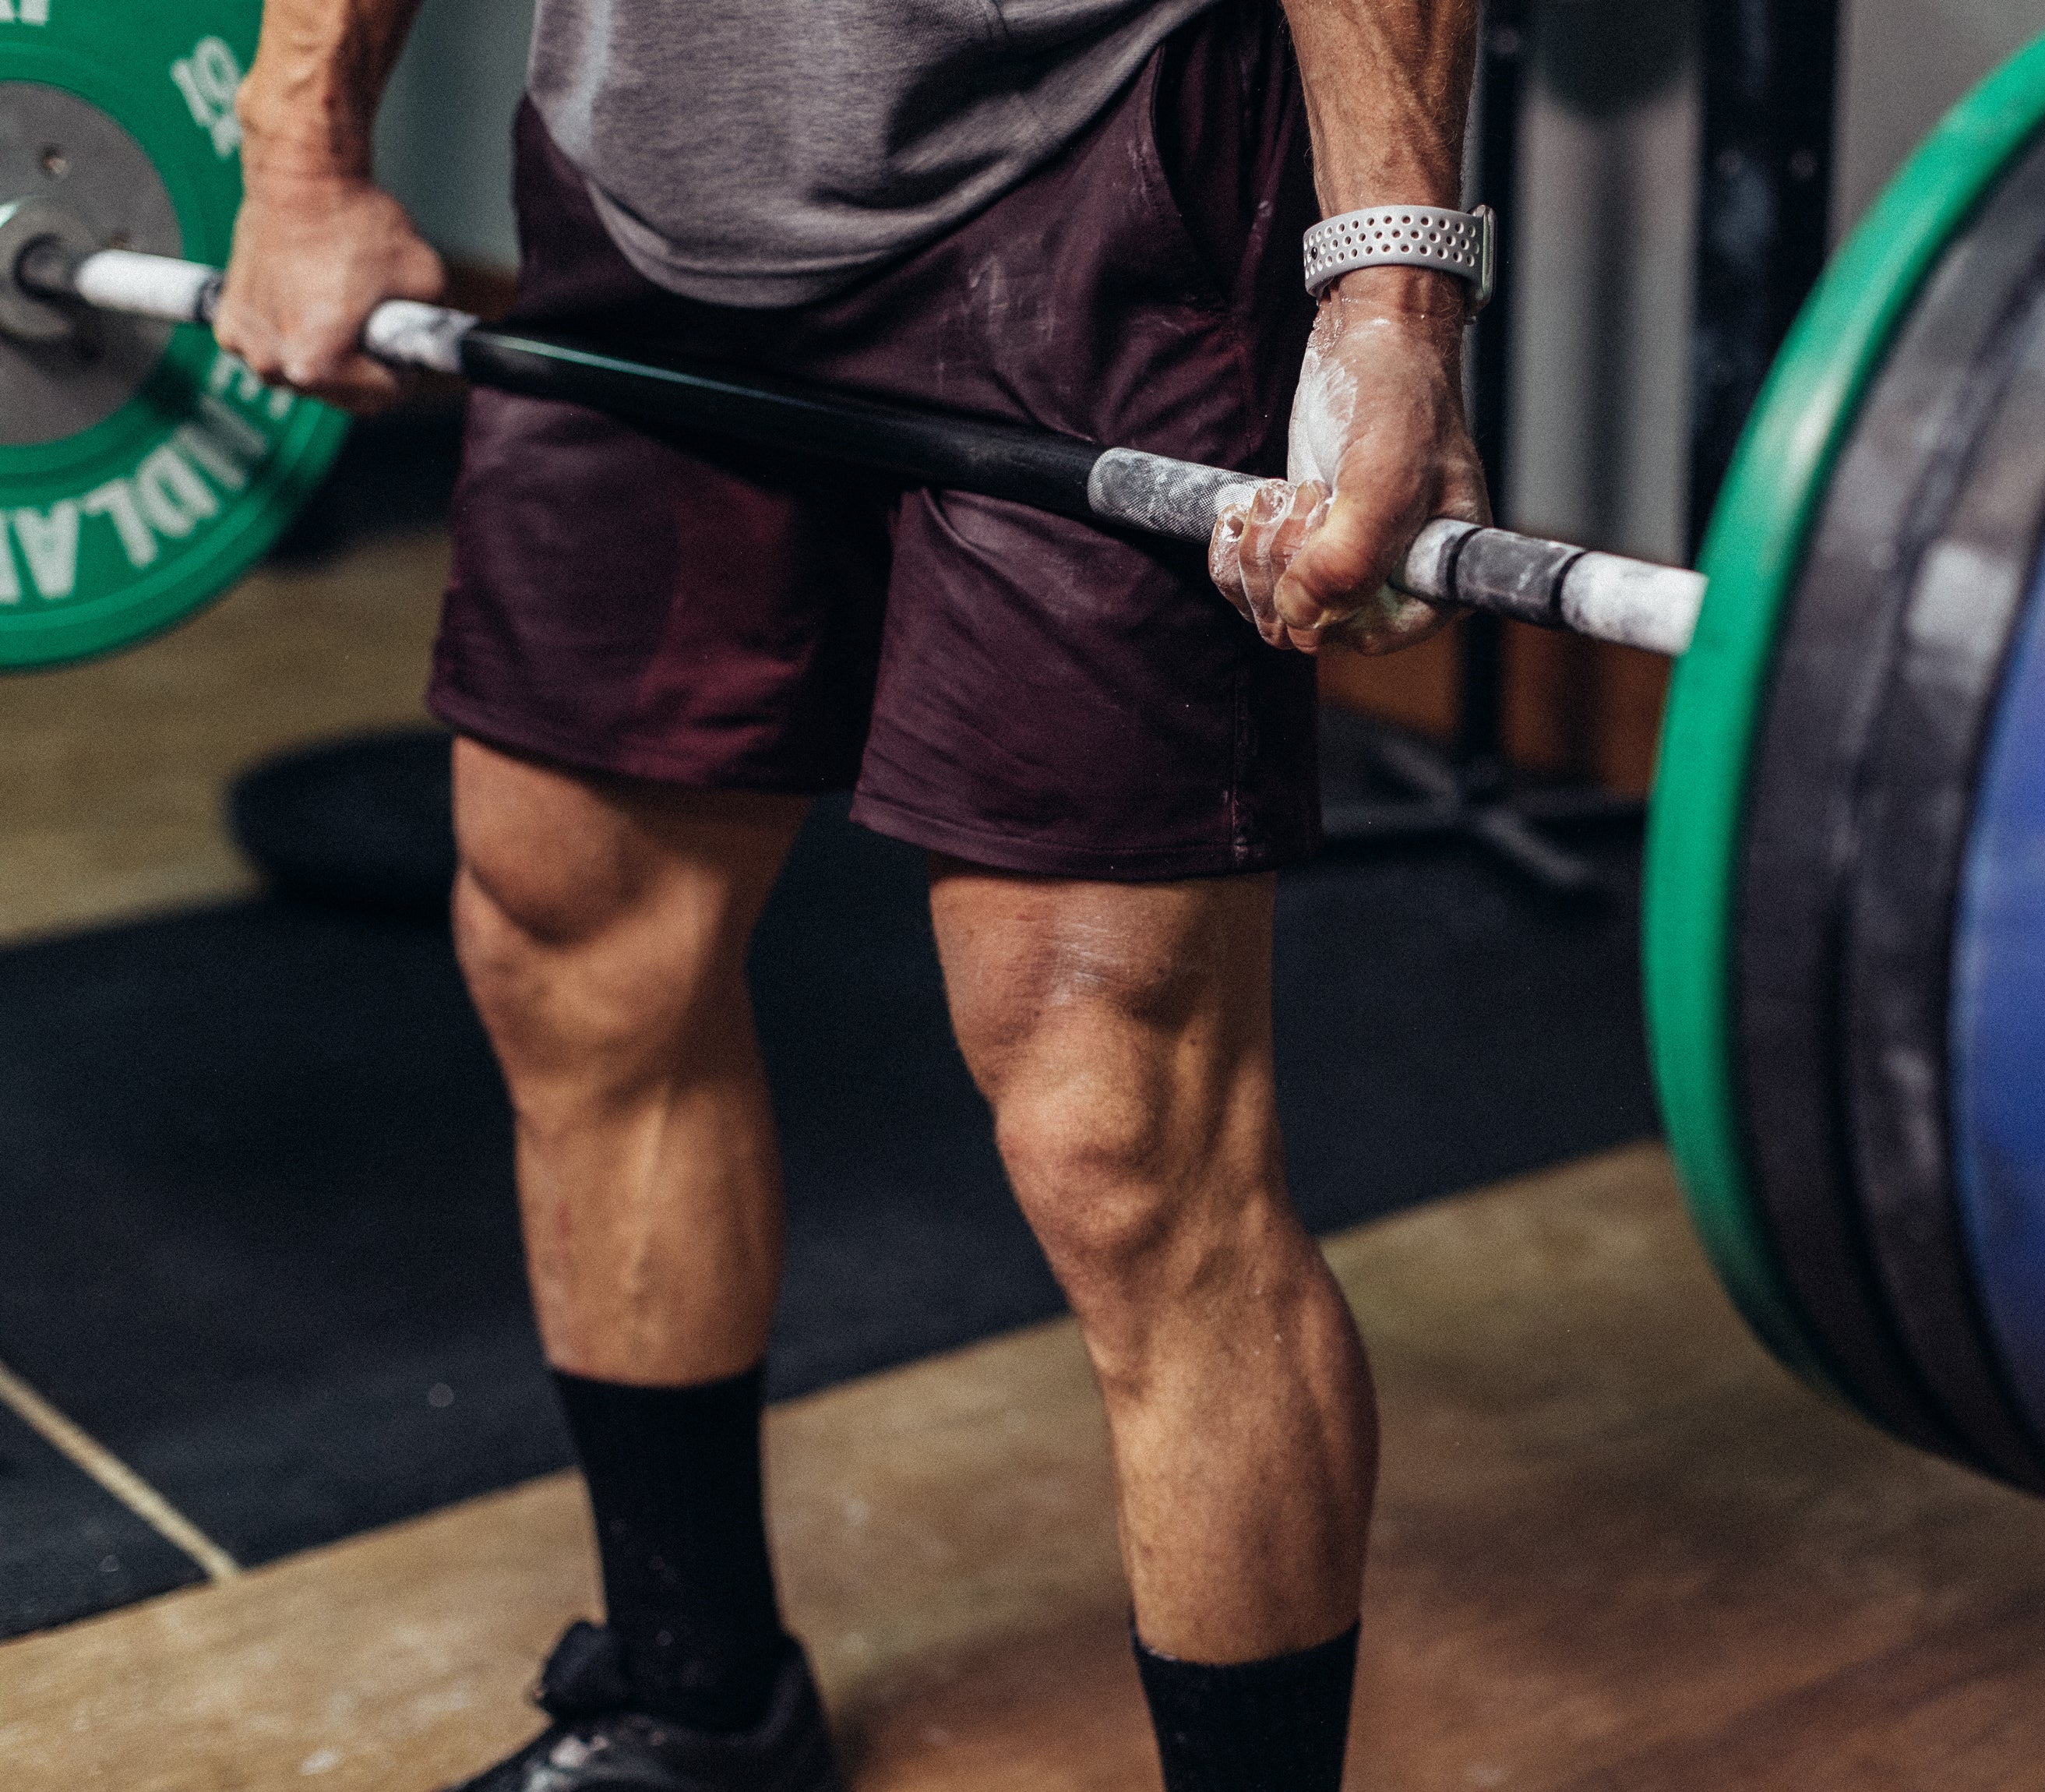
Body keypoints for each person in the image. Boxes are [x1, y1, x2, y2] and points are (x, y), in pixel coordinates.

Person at [217, 0, 1490, 1785]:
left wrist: (1390, 294)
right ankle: (695, 1694)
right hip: (639, 174)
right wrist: (300, 142)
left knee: (1119, 1133)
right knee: (574, 948)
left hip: (1095, 171)